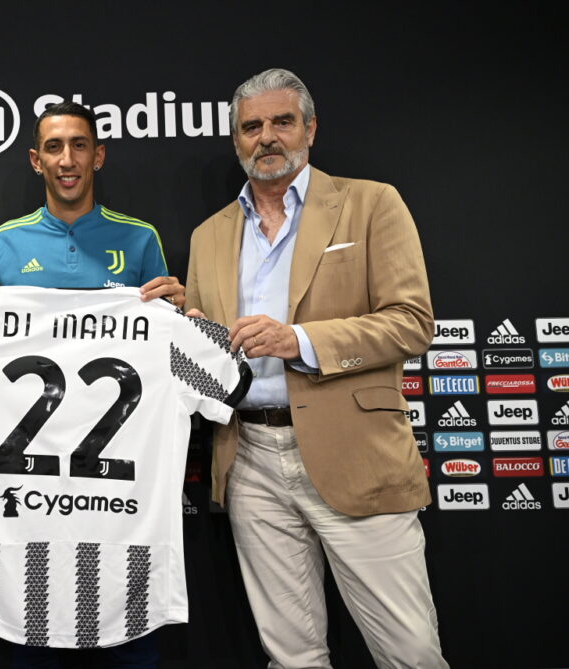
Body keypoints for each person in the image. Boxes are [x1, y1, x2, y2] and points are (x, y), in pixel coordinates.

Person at [185, 69, 447, 668]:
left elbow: (411, 322)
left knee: (410, 653)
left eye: (282, 121)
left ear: (310, 129)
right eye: (251, 126)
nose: (266, 137)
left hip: (354, 452)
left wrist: (298, 339)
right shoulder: (209, 235)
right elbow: (206, 353)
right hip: (249, 458)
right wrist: (184, 332)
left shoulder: (371, 203)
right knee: (292, 657)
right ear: (236, 139)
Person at [0, 101, 184, 668]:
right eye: (54, 147)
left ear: (98, 156)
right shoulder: (7, 241)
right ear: (36, 160)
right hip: (34, 486)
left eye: (79, 145)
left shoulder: (139, 238)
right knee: (33, 630)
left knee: (126, 638)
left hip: (119, 488)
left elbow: (166, 342)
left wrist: (180, 313)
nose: (67, 160)